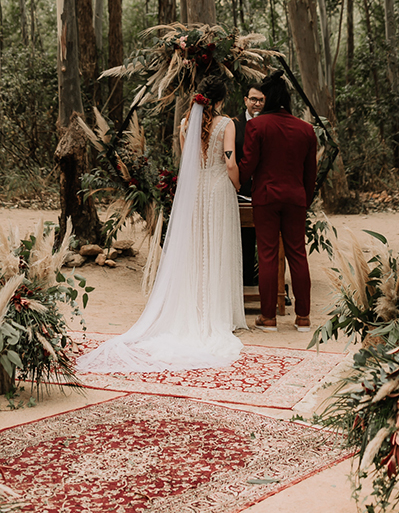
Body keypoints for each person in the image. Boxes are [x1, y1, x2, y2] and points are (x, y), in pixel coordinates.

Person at [78, 74, 247, 374]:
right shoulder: (227, 124)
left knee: (197, 249)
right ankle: (217, 314)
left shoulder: (185, 125)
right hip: (219, 189)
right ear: (221, 99)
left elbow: (189, 162)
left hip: (195, 192)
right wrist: (236, 184)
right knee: (218, 246)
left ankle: (195, 309)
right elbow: (230, 162)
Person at [238, 70, 317, 332]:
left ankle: (268, 318)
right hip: (296, 198)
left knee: (268, 254)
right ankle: (303, 317)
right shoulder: (306, 129)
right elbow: (310, 173)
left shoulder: (257, 126)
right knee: (298, 254)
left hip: (266, 197)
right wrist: (304, 199)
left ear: (268, 99)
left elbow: (248, 166)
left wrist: (235, 178)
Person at [233, 85, 265, 287]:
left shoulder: (269, 123)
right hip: (239, 191)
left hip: (264, 190)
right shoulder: (234, 125)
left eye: (261, 100)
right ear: (245, 100)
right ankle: (242, 282)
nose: (257, 103)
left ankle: (263, 282)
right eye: (254, 99)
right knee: (242, 240)